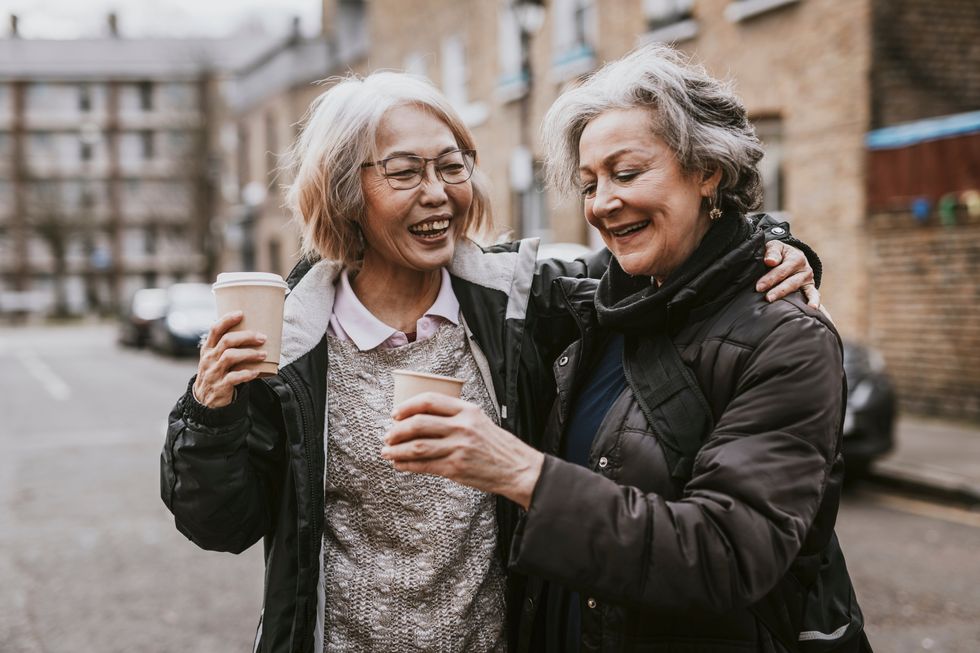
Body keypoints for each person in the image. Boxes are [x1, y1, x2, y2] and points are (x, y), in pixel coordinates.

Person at [161, 70, 818, 653]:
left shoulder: (522, 305)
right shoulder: (290, 340)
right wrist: (209, 413)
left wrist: (777, 251)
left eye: (453, 166)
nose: (438, 192)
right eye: (404, 171)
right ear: (344, 189)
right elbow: (223, 524)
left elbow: (665, 269)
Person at [383, 44, 869, 652]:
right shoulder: (601, 304)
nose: (602, 203)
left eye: (627, 172)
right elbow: (439, 258)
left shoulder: (787, 338)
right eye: (589, 183)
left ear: (706, 170)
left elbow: (727, 556)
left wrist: (520, 472)